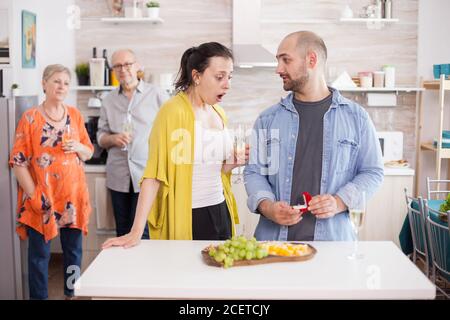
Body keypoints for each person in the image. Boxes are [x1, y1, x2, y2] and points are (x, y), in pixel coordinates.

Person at [103, 42, 247, 248]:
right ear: (196, 76)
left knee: (220, 276)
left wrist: (232, 163)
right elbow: (153, 175)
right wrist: (135, 232)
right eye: (219, 77)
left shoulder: (218, 112)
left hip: (220, 209)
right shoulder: (173, 111)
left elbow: (214, 169)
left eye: (230, 77)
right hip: (190, 214)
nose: (227, 84)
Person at [244, 31, 384, 241]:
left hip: (333, 245)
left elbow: (372, 172)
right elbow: (254, 172)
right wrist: (268, 207)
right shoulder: (268, 119)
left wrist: (339, 201)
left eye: (286, 60)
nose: (278, 69)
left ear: (311, 60)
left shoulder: (356, 118)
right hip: (273, 245)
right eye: (278, 61)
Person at [9, 64, 94, 299]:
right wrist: (34, 195)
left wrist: (78, 147)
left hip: (73, 198)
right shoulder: (30, 118)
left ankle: (71, 292)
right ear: (44, 84)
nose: (61, 86)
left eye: (66, 83)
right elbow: (18, 161)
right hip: (43, 199)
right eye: (56, 81)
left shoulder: (75, 115)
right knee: (39, 256)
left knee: (74, 252)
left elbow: (88, 152)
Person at [97, 49, 169, 239]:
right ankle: (125, 269)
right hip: (118, 175)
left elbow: (171, 132)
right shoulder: (108, 100)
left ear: (137, 66)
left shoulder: (157, 95)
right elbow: (100, 136)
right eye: (117, 66)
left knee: (143, 233)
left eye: (127, 64)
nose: (123, 69)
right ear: (113, 70)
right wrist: (112, 139)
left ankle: (144, 269)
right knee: (122, 231)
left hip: (147, 175)